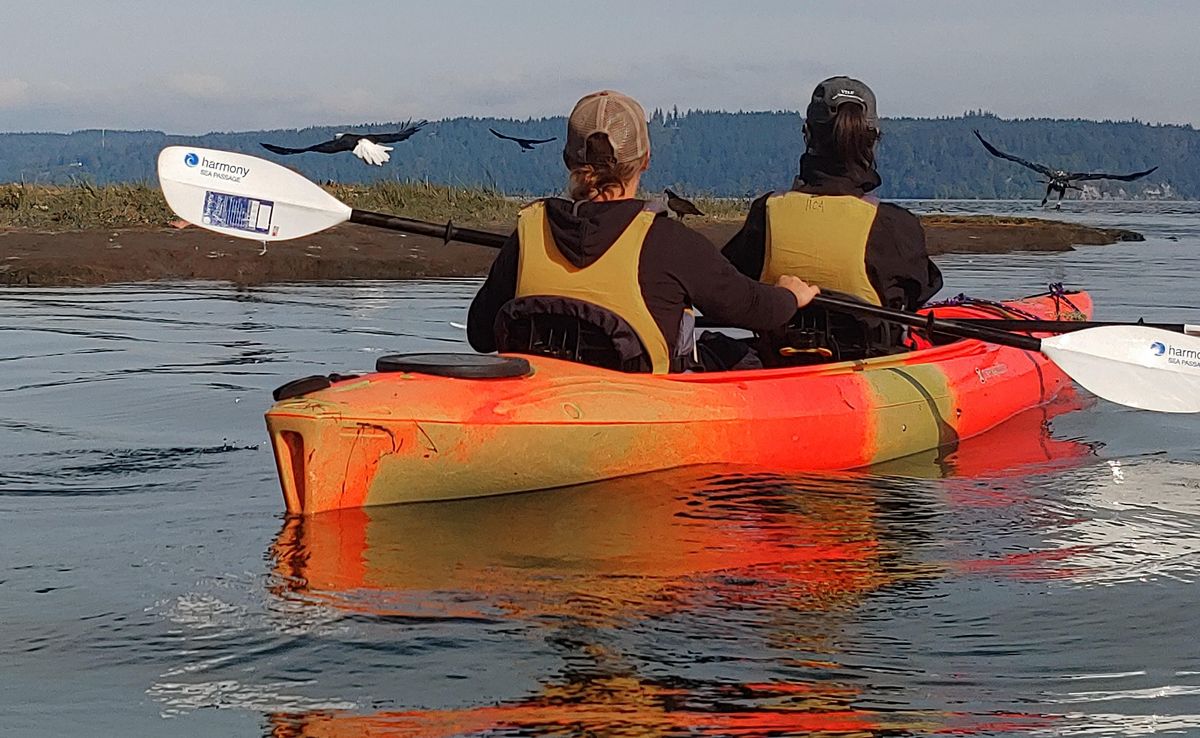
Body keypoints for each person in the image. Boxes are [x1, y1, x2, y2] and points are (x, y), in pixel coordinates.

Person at [467, 90, 818, 373]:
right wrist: (789, 296)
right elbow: (752, 307)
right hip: (642, 406)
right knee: (738, 355)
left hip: (542, 401)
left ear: (568, 160)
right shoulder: (670, 241)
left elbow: (480, 335)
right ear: (646, 159)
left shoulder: (528, 234)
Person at [722, 76, 943, 356]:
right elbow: (919, 291)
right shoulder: (894, 224)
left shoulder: (765, 211)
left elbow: (732, 286)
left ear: (807, 133)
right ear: (873, 139)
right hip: (869, 362)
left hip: (777, 357)